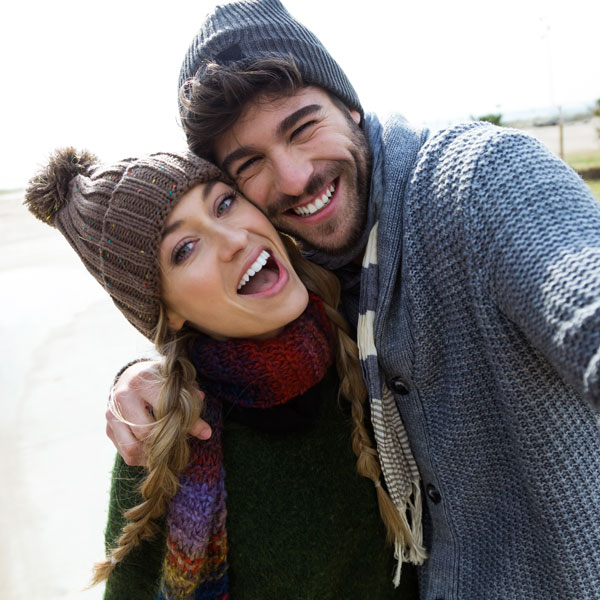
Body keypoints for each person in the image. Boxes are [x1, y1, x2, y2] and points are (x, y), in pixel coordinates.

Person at [109, 1, 600, 598]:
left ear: (349, 105)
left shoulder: (476, 181)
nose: (292, 178)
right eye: (251, 165)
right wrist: (149, 370)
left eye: (302, 127)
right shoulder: (308, 286)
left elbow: (582, 295)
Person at [25, 148, 419, 598]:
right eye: (185, 249)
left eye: (225, 203)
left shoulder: (373, 330)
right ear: (167, 312)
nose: (233, 240)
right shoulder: (164, 438)